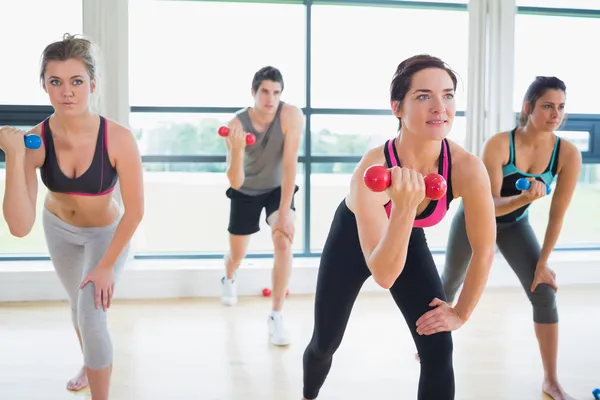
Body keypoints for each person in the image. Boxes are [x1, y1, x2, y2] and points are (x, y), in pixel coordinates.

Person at [301, 54, 497, 400]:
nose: (440, 107)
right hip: (351, 240)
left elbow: (483, 248)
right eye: (423, 96)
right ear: (397, 107)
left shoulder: (466, 167)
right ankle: (308, 393)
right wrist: (405, 205)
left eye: (448, 95)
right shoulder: (373, 168)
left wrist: (461, 313)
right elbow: (384, 274)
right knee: (325, 342)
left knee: (438, 347)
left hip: (406, 237)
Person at [0, 34, 144, 400]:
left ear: (92, 85)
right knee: (78, 307)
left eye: (77, 81)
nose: (67, 92)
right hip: (59, 230)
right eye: (56, 82)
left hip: (105, 233)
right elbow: (19, 227)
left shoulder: (119, 139)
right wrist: (14, 158)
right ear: (44, 86)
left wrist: (107, 265)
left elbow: (136, 210)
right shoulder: (36, 141)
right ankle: (88, 361)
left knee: (92, 316)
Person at [441, 76, 582, 400]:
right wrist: (525, 198)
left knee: (543, 290)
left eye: (560, 107)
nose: (555, 114)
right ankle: (430, 346)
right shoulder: (500, 144)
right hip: (475, 219)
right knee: (448, 285)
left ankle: (551, 380)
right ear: (528, 107)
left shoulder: (567, 154)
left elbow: (557, 214)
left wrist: (543, 263)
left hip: (516, 225)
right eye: (548, 106)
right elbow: (488, 205)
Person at [221, 66, 304, 346]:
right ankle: (229, 276)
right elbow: (235, 179)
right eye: (265, 92)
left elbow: (291, 163)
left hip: (278, 187)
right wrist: (236, 150)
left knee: (283, 241)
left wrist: (284, 214)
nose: (271, 99)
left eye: (276, 92)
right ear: (253, 93)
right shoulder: (237, 124)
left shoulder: (290, 115)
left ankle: (276, 316)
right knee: (237, 254)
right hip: (245, 188)